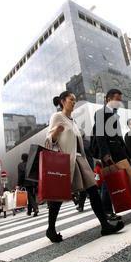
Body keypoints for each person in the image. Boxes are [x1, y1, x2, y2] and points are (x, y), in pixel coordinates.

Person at [45, 91, 124, 242]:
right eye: (71, 100)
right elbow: (49, 141)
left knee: (93, 191)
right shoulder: (57, 117)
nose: (74, 102)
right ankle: (50, 229)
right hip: (66, 161)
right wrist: (56, 132)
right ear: (62, 101)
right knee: (58, 196)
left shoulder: (72, 120)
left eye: (75, 100)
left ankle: (104, 225)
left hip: (80, 160)